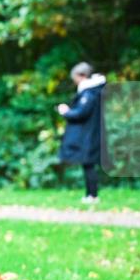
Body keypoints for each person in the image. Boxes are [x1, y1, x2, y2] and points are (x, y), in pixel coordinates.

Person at [58, 62, 106, 204]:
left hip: (89, 135)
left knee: (88, 164)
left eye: (75, 77)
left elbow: (81, 113)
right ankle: (90, 195)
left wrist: (66, 112)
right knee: (88, 165)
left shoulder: (90, 93)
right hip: (89, 134)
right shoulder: (93, 91)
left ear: (82, 76)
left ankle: (92, 196)